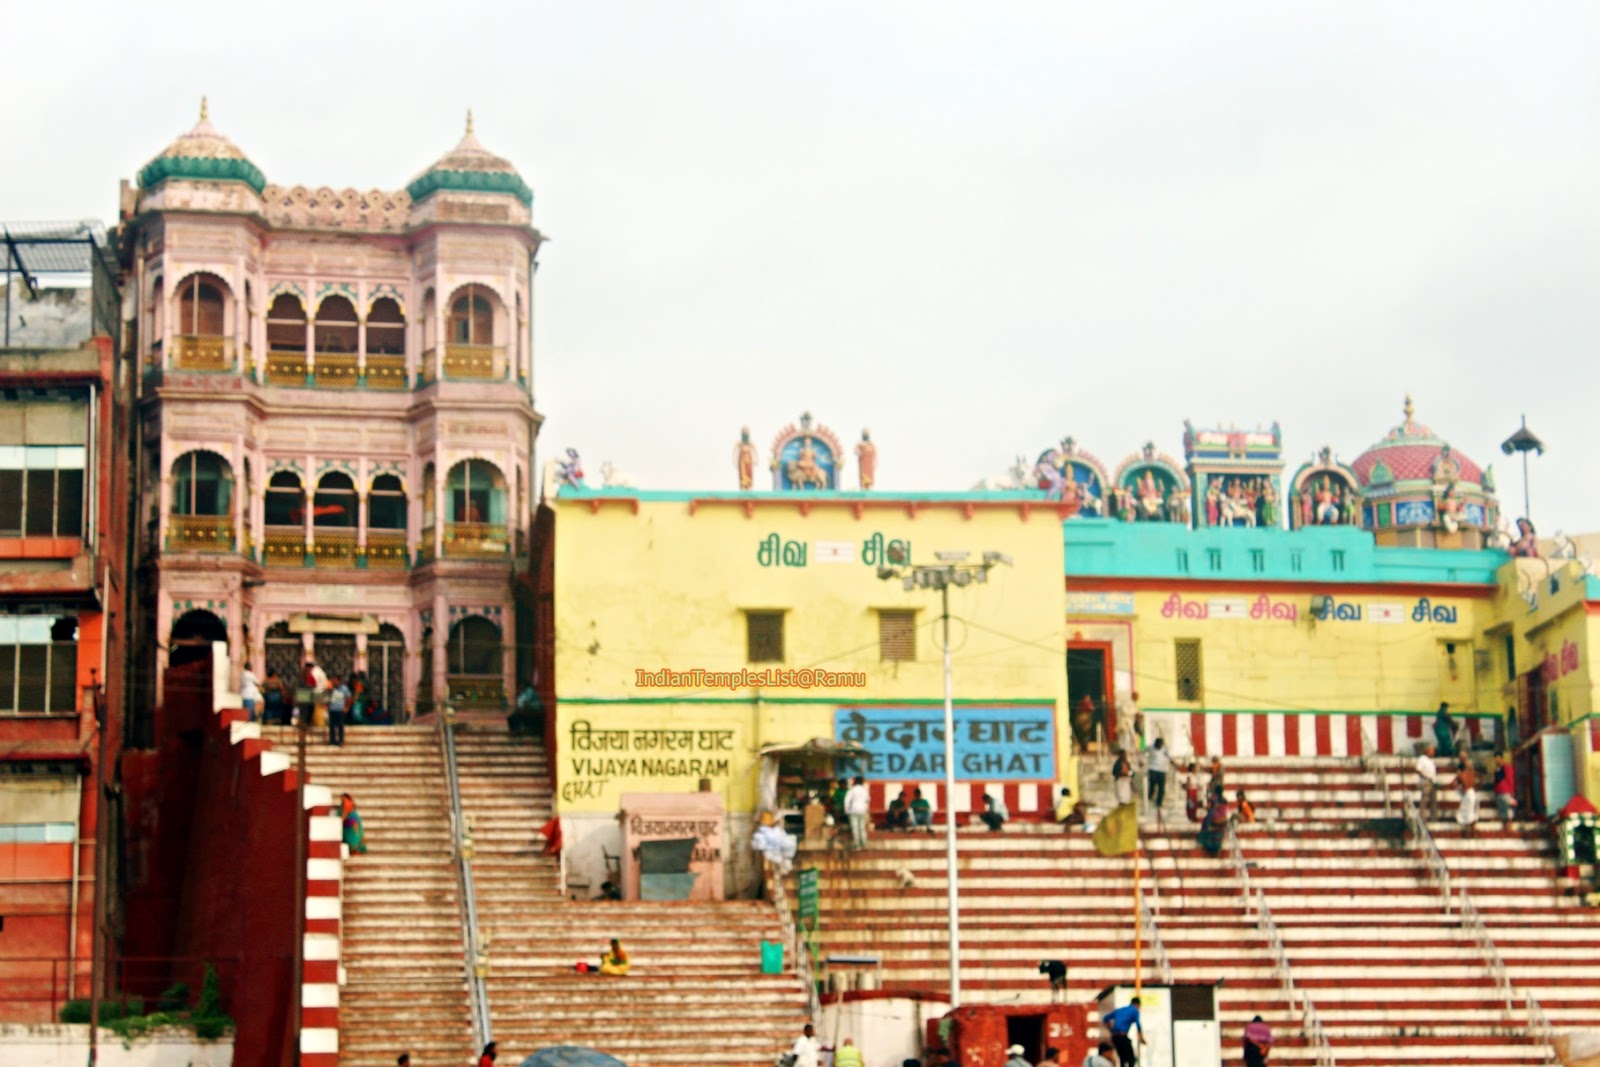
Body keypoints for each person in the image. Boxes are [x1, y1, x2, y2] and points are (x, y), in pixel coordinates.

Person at [1102, 998, 1145, 1067]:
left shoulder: (1120, 1010)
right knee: (1131, 1059)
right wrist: (1141, 1038)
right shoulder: (1134, 1010)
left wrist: (1111, 1029)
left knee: (1123, 1058)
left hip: (1115, 1037)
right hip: (1122, 1036)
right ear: (1137, 1004)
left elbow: (1105, 1018)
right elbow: (1138, 1025)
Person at [1453, 759, 1480, 836]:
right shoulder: (1472, 773)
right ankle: (1472, 831)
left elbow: (1453, 783)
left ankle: (1469, 831)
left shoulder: (1461, 774)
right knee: (1472, 812)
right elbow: (1481, 778)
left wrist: (1462, 788)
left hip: (1468, 794)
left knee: (1468, 812)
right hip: (1473, 793)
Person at [844, 776, 870, 850]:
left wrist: (847, 811)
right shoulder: (864, 790)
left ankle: (857, 845)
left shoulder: (852, 790)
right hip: (862, 811)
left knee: (855, 828)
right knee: (862, 828)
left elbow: (847, 801)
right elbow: (867, 800)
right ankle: (864, 844)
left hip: (853, 811)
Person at [1416, 743, 1440, 821]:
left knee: (1433, 800)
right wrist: (1426, 777)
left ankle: (1434, 818)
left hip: (1432, 782)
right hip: (1426, 782)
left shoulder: (1431, 761)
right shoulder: (1422, 759)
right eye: (1432, 751)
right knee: (1425, 800)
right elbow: (1418, 770)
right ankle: (1422, 818)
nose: (1433, 752)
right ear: (1427, 751)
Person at [1146, 738, 1170, 809]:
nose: (1160, 746)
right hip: (1152, 769)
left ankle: (1159, 802)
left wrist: (1174, 763)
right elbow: (1142, 752)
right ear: (1156, 743)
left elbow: (1169, 757)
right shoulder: (1150, 747)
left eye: (1161, 745)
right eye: (1158, 745)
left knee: (1161, 787)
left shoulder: (1165, 749)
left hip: (1162, 770)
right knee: (1152, 784)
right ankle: (1150, 796)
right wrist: (1141, 761)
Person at [328, 675, 351, 747]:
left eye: (335, 680)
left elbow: (349, 698)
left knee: (340, 726)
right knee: (332, 726)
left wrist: (346, 707)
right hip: (332, 709)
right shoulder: (331, 688)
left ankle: (341, 741)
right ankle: (332, 741)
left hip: (340, 710)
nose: (334, 682)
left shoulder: (344, 689)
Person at [1493, 754, 1517, 822]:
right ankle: (1505, 827)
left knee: (1509, 810)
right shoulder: (1496, 769)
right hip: (1498, 792)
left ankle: (1509, 826)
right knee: (1502, 811)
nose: (1497, 760)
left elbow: (1510, 779)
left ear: (1501, 758)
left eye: (1498, 758)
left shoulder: (1507, 767)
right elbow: (1495, 781)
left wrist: (1511, 790)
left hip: (1506, 791)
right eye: (1496, 759)